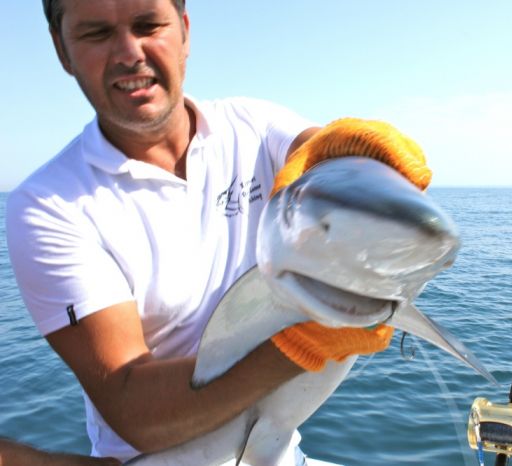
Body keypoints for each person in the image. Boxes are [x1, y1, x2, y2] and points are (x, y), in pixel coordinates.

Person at [5, 0, 430, 464]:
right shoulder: (49, 205)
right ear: (61, 50)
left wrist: (351, 155)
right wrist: (302, 345)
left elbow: (319, 155)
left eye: (148, 24)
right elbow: (134, 410)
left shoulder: (249, 124)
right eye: (96, 34)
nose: (129, 52)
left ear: (184, 31)